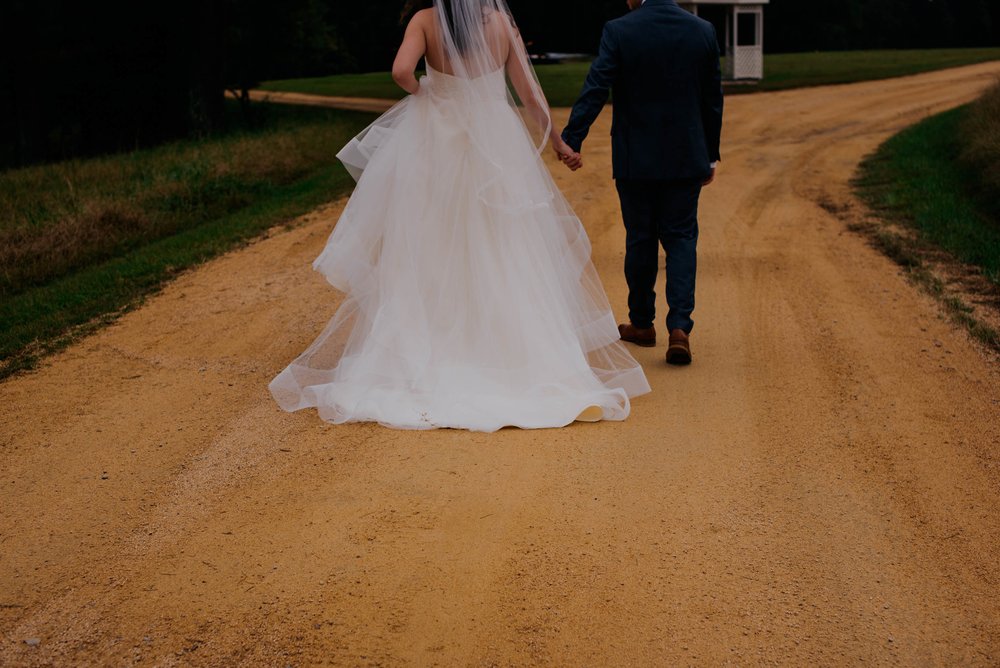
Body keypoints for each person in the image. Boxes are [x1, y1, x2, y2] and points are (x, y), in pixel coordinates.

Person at [268, 0, 651, 433]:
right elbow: (529, 92)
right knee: (503, 244)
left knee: (432, 244)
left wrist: (425, 92)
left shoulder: (425, 21)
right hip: (495, 144)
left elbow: (400, 72)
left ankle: (429, 352)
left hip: (437, 140)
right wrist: (559, 144)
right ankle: (516, 357)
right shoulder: (502, 25)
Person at [562, 0, 724, 365]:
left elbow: (596, 86)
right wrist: (710, 154)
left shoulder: (619, 30)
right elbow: (712, 99)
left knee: (640, 238)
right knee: (681, 239)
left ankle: (642, 323)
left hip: (636, 159)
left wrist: (573, 138)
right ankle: (680, 329)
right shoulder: (702, 31)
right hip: (686, 157)